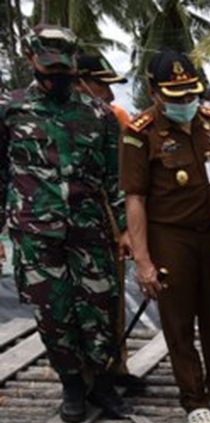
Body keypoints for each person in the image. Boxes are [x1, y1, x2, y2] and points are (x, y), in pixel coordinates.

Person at [119, 49, 210, 423]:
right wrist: (143, 261)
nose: (185, 102)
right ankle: (193, 400)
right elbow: (135, 200)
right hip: (170, 236)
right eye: (175, 95)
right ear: (154, 91)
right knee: (179, 321)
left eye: (189, 93)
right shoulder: (140, 133)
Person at [0, 25, 131, 423]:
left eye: (63, 72)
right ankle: (72, 386)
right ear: (31, 62)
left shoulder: (99, 115)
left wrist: (126, 230)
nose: (56, 79)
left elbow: (116, 180)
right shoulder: (11, 111)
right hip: (35, 233)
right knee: (53, 314)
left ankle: (103, 384)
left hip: (89, 231)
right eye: (48, 71)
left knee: (99, 310)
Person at [76, 52, 145, 391]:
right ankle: (87, 379)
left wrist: (125, 229)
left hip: (105, 227)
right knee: (78, 310)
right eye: (102, 85)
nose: (109, 94)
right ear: (82, 81)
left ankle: (115, 368)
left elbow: (117, 180)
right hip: (61, 231)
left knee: (111, 301)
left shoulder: (110, 117)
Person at [76, 53, 131, 128]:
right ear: (78, 85)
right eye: (101, 85)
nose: (111, 96)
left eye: (109, 86)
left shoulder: (118, 115)